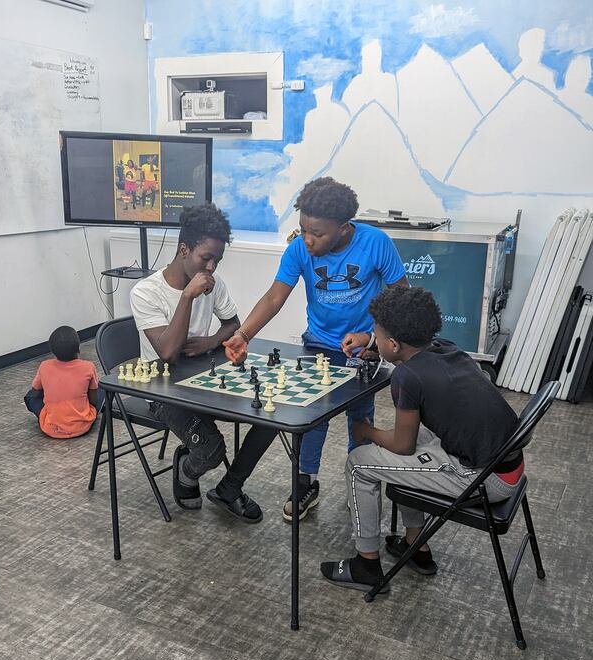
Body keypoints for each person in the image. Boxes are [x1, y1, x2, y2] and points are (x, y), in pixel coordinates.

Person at [223, 176, 408, 522]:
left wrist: (372, 340)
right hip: (319, 343)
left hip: (364, 350)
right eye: (303, 229)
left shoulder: (376, 243)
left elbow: (401, 297)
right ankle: (306, 481)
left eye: (317, 233)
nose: (308, 240)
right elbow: (275, 297)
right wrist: (244, 334)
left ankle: (360, 479)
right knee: (312, 418)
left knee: (360, 416)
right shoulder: (298, 250)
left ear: (343, 228)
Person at [320, 287, 524, 592]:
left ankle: (366, 565)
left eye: (376, 331)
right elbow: (409, 438)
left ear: (393, 343)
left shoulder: (407, 377)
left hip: (485, 479)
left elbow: (403, 446)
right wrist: (374, 343)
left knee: (360, 462)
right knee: (414, 441)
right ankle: (417, 546)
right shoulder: (447, 348)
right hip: (506, 461)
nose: (372, 335)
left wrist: (367, 432)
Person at [130, 203, 277, 523]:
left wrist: (211, 342)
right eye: (205, 258)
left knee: (271, 413)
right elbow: (167, 353)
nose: (210, 267)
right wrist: (187, 297)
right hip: (161, 387)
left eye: (217, 260)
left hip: (202, 377)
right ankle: (186, 470)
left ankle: (230, 487)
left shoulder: (213, 283)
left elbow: (232, 323)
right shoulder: (145, 292)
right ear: (184, 249)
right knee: (211, 450)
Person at [24, 326, 102, 439]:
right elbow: (94, 401)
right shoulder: (88, 367)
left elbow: (35, 393)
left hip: (51, 428)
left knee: (30, 396)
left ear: (52, 351)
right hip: (82, 426)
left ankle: (55, 417)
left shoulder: (44, 366)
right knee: (102, 389)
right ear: (78, 348)